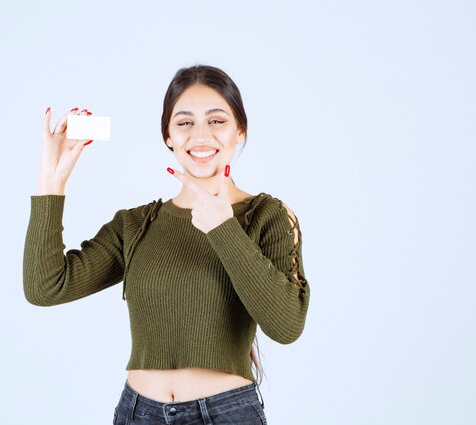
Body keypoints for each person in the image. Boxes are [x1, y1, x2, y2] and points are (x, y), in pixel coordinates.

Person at [23, 64, 311, 424]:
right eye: (185, 122)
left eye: (217, 121)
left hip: (226, 415)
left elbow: (286, 326)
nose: (200, 135)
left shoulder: (267, 216)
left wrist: (224, 228)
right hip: (138, 413)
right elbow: (45, 287)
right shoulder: (137, 225)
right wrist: (51, 181)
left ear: (240, 131)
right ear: (168, 137)